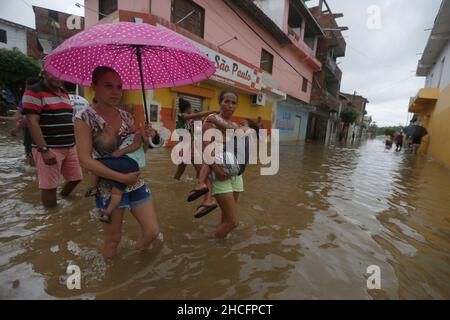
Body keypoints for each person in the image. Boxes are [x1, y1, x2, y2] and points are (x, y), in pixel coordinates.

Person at [74, 66, 160, 258]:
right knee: (113, 240)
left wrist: (144, 139)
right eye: (109, 86)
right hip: (108, 184)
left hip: (134, 180)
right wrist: (122, 177)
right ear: (94, 86)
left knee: (152, 231)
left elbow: (137, 151)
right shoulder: (84, 118)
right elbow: (85, 160)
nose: (116, 92)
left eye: (119, 87)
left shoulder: (126, 116)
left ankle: (135, 264)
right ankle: (112, 279)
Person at [22, 71, 83, 207]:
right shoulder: (34, 92)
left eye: (60, 73)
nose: (57, 77)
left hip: (69, 145)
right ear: (44, 73)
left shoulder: (64, 92)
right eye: (52, 73)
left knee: (76, 178)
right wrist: (44, 150)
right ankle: (51, 217)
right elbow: (32, 122)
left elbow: (68, 119)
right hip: (49, 146)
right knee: (49, 187)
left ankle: (62, 198)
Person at [192, 89, 244, 238]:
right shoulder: (210, 121)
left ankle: (222, 247)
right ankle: (214, 246)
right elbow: (205, 149)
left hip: (235, 174)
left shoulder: (233, 125)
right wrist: (217, 170)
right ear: (220, 103)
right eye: (226, 101)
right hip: (218, 174)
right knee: (233, 222)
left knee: (227, 217)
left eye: (233, 103)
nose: (230, 105)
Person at [187, 118, 258, 219]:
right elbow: (225, 139)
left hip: (233, 162)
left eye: (242, 123)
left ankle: (201, 185)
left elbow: (232, 129)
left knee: (209, 158)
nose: (240, 124)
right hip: (238, 170)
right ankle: (207, 200)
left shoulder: (247, 130)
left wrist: (215, 120)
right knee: (213, 165)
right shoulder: (248, 140)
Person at [173, 98, 216, 180]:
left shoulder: (189, 120)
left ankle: (198, 184)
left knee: (199, 170)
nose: (191, 110)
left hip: (191, 147)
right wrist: (211, 112)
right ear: (187, 108)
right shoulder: (182, 116)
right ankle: (199, 184)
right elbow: (196, 116)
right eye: (190, 108)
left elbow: (199, 124)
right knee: (181, 170)